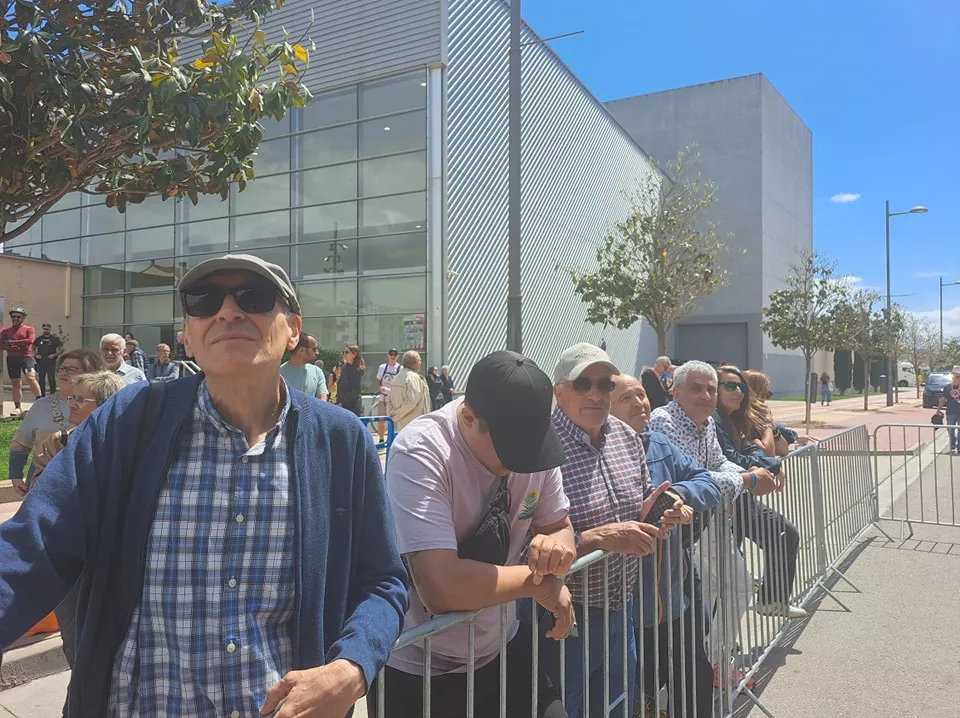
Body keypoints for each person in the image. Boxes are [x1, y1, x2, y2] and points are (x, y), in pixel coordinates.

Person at [0, 253, 408, 717]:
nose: (228, 311)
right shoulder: (130, 421)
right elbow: (32, 547)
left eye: (253, 297)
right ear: (188, 337)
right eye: (204, 301)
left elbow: (383, 580)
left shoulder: (339, 439)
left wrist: (353, 666)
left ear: (293, 328)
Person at [373, 350, 576, 718]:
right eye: (511, 450)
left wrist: (557, 549)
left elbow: (559, 525)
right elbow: (442, 588)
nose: (525, 462)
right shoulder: (422, 450)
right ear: (468, 417)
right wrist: (542, 584)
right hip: (419, 667)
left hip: (501, 649)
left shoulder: (533, 448)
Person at [536, 343, 685, 718]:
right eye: (583, 383)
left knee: (619, 703)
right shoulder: (539, 448)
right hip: (566, 613)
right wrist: (597, 538)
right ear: (559, 391)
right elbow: (525, 540)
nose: (595, 393)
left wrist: (662, 514)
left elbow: (638, 505)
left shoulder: (626, 435)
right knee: (569, 708)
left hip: (623, 603)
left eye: (604, 384)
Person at [610, 374, 722, 718]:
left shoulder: (658, 443)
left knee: (695, 674)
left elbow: (708, 482)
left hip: (676, 593)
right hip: (629, 606)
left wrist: (680, 495)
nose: (640, 403)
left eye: (642, 395)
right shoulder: (601, 453)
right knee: (641, 687)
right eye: (627, 398)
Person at [29, 370, 126, 715]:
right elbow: (38, 493)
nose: (72, 404)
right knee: (75, 642)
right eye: (71, 397)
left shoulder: (130, 448)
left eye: (80, 399)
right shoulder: (58, 443)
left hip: (115, 563)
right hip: (71, 564)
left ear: (104, 405)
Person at [713, 365, 806, 620]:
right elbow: (741, 454)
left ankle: (771, 601)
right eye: (730, 386)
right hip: (720, 505)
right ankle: (716, 644)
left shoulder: (739, 418)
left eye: (741, 387)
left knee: (785, 534)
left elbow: (776, 449)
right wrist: (766, 458)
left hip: (742, 499)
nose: (739, 392)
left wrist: (770, 461)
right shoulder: (714, 419)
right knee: (723, 578)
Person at [7, 349, 102, 497]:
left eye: (72, 369)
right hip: (43, 478)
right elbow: (21, 442)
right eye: (61, 368)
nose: (64, 373)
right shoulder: (41, 405)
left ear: (91, 373)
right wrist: (15, 475)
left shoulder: (101, 404)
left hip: (87, 478)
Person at [1, 306, 43, 414]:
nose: (15, 318)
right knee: (15, 383)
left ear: (23, 318)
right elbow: (2, 344)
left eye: (18, 317)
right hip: (12, 358)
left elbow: (30, 340)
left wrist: (12, 343)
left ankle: (40, 402)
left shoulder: (29, 329)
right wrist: (14, 345)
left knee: (31, 378)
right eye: (13, 316)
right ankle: (17, 407)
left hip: (26, 357)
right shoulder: (6, 331)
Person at [388, 351, 431, 432]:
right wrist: (397, 413)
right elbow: (412, 402)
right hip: (415, 425)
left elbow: (389, 399)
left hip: (400, 425)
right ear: (415, 363)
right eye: (420, 360)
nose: (420, 363)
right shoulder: (413, 377)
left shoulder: (396, 377)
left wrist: (393, 414)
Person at [280, 333, 328, 400]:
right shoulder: (279, 374)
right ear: (302, 350)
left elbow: (322, 399)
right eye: (314, 349)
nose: (317, 352)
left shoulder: (317, 372)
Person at [376, 349, 402, 439]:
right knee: (381, 418)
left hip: (394, 398)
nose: (393, 356)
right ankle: (381, 439)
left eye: (395, 354)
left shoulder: (400, 369)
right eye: (391, 354)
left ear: (398, 356)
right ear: (388, 355)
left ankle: (392, 439)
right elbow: (378, 382)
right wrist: (381, 388)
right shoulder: (382, 367)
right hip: (383, 397)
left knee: (393, 420)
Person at [33, 323, 64, 397]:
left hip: (51, 362)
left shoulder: (54, 339)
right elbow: (33, 347)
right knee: (41, 380)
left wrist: (54, 355)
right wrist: (35, 355)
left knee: (51, 379)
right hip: (41, 362)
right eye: (44, 329)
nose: (46, 330)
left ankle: (53, 394)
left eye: (47, 329)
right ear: (42, 329)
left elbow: (61, 349)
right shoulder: (39, 339)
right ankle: (42, 395)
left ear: (50, 329)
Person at [337, 344, 366, 416]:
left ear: (354, 354)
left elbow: (356, 391)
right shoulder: (344, 367)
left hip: (353, 407)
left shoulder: (357, 370)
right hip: (343, 406)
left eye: (347, 352)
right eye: (343, 352)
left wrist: (342, 401)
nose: (344, 354)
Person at [938, 370, 960, 453]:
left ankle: (959, 447)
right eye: (956, 377)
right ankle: (953, 444)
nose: (958, 378)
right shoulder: (947, 387)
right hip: (950, 412)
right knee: (950, 429)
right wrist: (938, 410)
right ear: (952, 378)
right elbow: (943, 399)